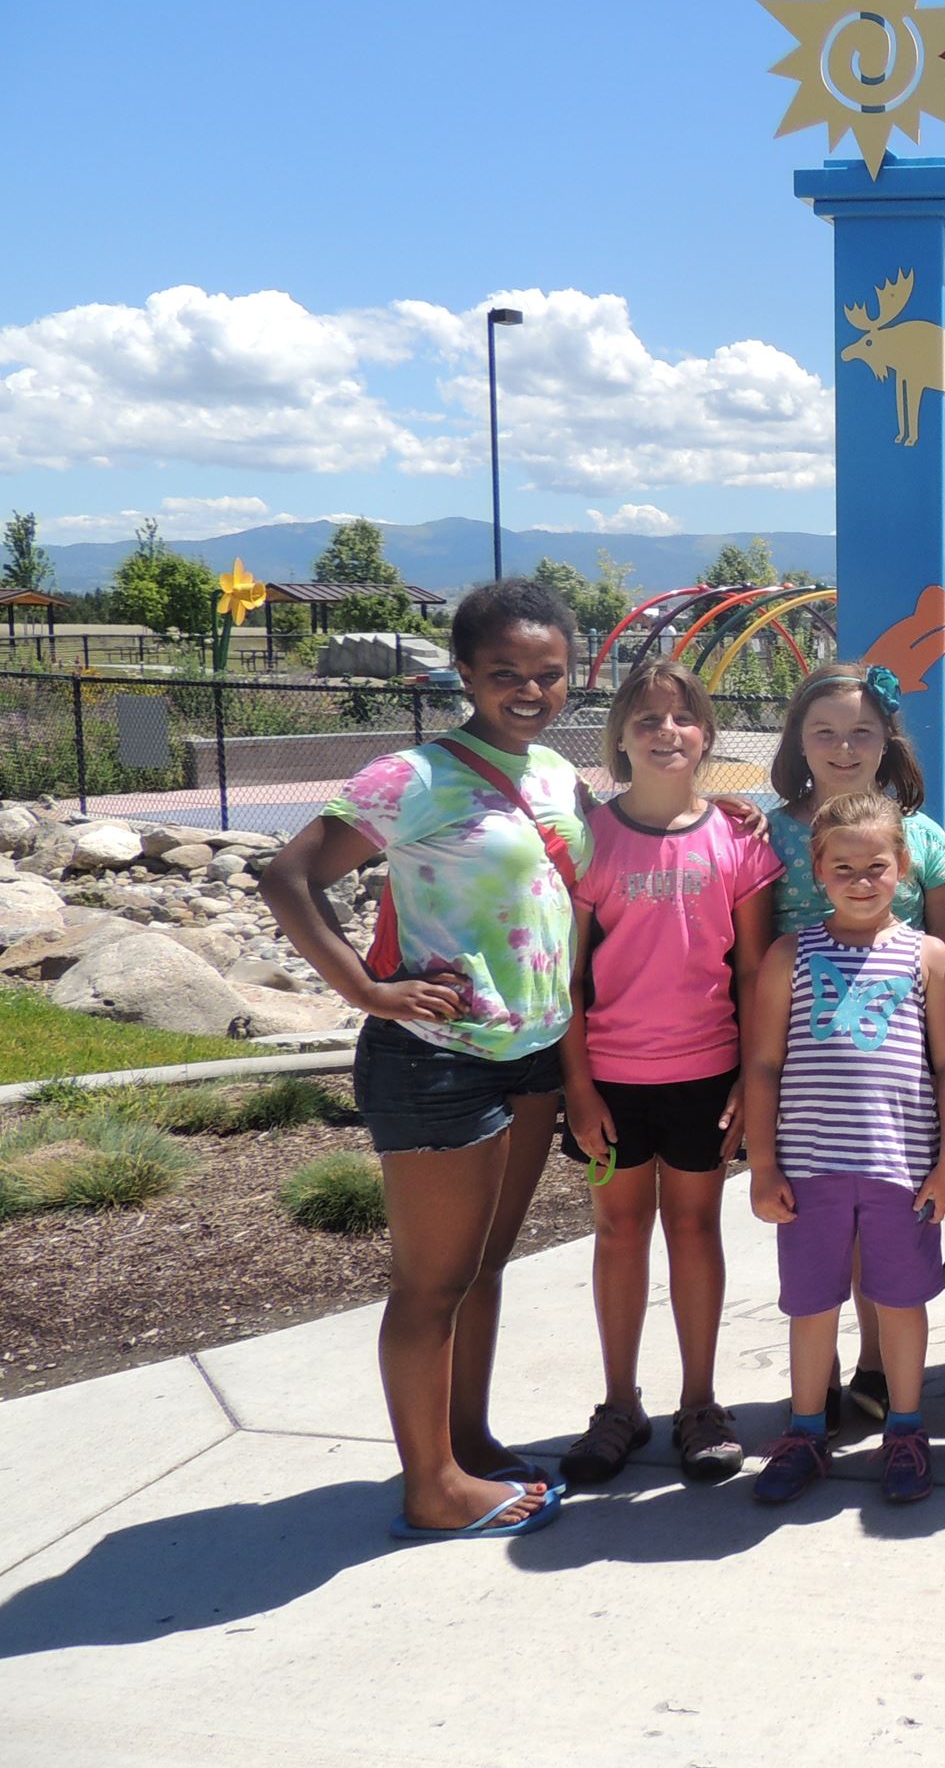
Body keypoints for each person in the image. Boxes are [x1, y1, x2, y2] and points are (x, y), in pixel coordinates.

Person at [260, 577, 591, 1540]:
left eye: (548, 674)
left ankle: (465, 1445)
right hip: (436, 1056)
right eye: (505, 675)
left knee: (485, 1265)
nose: (528, 691)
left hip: (530, 1049)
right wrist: (366, 988)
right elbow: (290, 877)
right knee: (431, 1282)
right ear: (464, 674)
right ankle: (430, 1489)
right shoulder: (412, 777)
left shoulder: (555, 777)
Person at [554, 660, 781, 1488]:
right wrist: (577, 1086)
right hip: (610, 1083)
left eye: (682, 718)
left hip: (705, 1076)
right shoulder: (590, 843)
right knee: (618, 1235)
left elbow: (754, 973)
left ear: (708, 735)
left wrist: (751, 1086)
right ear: (618, 736)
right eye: (646, 719)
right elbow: (568, 981)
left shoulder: (737, 839)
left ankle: (700, 1404)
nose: (665, 732)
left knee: (694, 1232)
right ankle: (619, 1404)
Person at [740, 791, 945, 1506]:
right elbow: (765, 1065)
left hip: (901, 1170)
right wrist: (763, 1164)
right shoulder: (790, 955)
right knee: (811, 1304)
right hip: (809, 1170)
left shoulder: (928, 956)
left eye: (877, 864)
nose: (862, 878)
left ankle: (905, 1428)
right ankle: (806, 1428)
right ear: (818, 868)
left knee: (901, 1301)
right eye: (843, 866)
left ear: (903, 866)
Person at [765, 665, 945, 1429]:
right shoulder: (771, 830)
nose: (844, 746)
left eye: (862, 731)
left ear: (889, 740)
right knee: (829, 1235)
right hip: (808, 1074)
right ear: (798, 742)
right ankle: (822, 1398)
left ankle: (880, 1371)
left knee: (886, 1231)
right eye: (824, 731)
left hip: (898, 1074)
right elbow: (756, 951)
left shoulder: (924, 837)